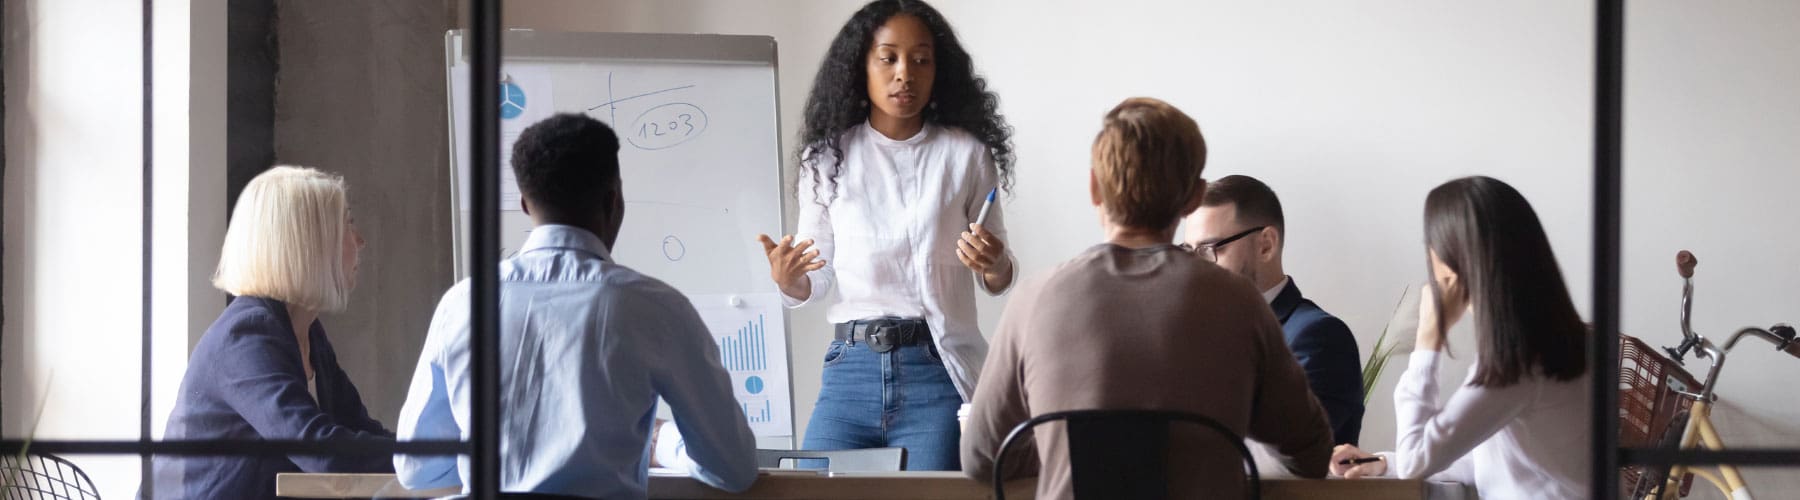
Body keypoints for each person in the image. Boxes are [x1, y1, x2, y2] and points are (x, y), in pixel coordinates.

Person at [961, 98, 1334, 499]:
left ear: (1093, 187)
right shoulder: (1241, 302)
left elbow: (981, 456)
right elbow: (1311, 454)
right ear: (1194, 197)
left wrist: (1068, 451)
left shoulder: (1035, 298)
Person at [394, 114, 756, 497]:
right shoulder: (657, 309)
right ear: (613, 199)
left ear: (524, 204)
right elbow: (732, 467)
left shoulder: (463, 304)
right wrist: (661, 443)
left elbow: (417, 468)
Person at [756, 0, 1016, 470]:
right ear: (863, 65)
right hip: (849, 370)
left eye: (921, 60)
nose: (905, 74)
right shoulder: (826, 158)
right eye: (889, 58)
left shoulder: (966, 154)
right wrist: (788, 278)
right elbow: (815, 279)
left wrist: (994, 263)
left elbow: (997, 277)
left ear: (938, 71)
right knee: (810, 486)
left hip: (934, 370)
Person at [1330, 176, 1591, 499]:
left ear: (1457, 266)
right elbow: (1486, 460)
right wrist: (1382, 463)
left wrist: (1429, 338)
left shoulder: (1516, 369)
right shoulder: (1558, 345)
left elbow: (1416, 462)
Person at [153, 166, 393, 499]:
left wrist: (442, 452)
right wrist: (438, 457)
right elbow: (319, 447)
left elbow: (355, 427)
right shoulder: (246, 336)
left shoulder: (308, 332)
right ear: (309, 244)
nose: (361, 240)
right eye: (348, 224)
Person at [1182, 175, 1364, 446]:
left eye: (1209, 249)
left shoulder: (1319, 337)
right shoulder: (1194, 341)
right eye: (1189, 252)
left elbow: (1281, 448)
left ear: (1266, 244)